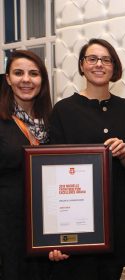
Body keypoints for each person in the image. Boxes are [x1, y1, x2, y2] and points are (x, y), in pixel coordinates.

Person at [48, 38, 125, 280]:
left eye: (106, 59)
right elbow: (52, 172)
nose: (99, 64)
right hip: (76, 218)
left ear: (114, 67)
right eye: (92, 58)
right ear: (82, 65)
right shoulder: (63, 110)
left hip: (118, 217)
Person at [0, 50, 52, 279]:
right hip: (7, 226)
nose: (26, 80)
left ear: (42, 80)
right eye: (18, 73)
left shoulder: (52, 120)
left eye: (34, 73)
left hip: (46, 223)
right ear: (8, 79)